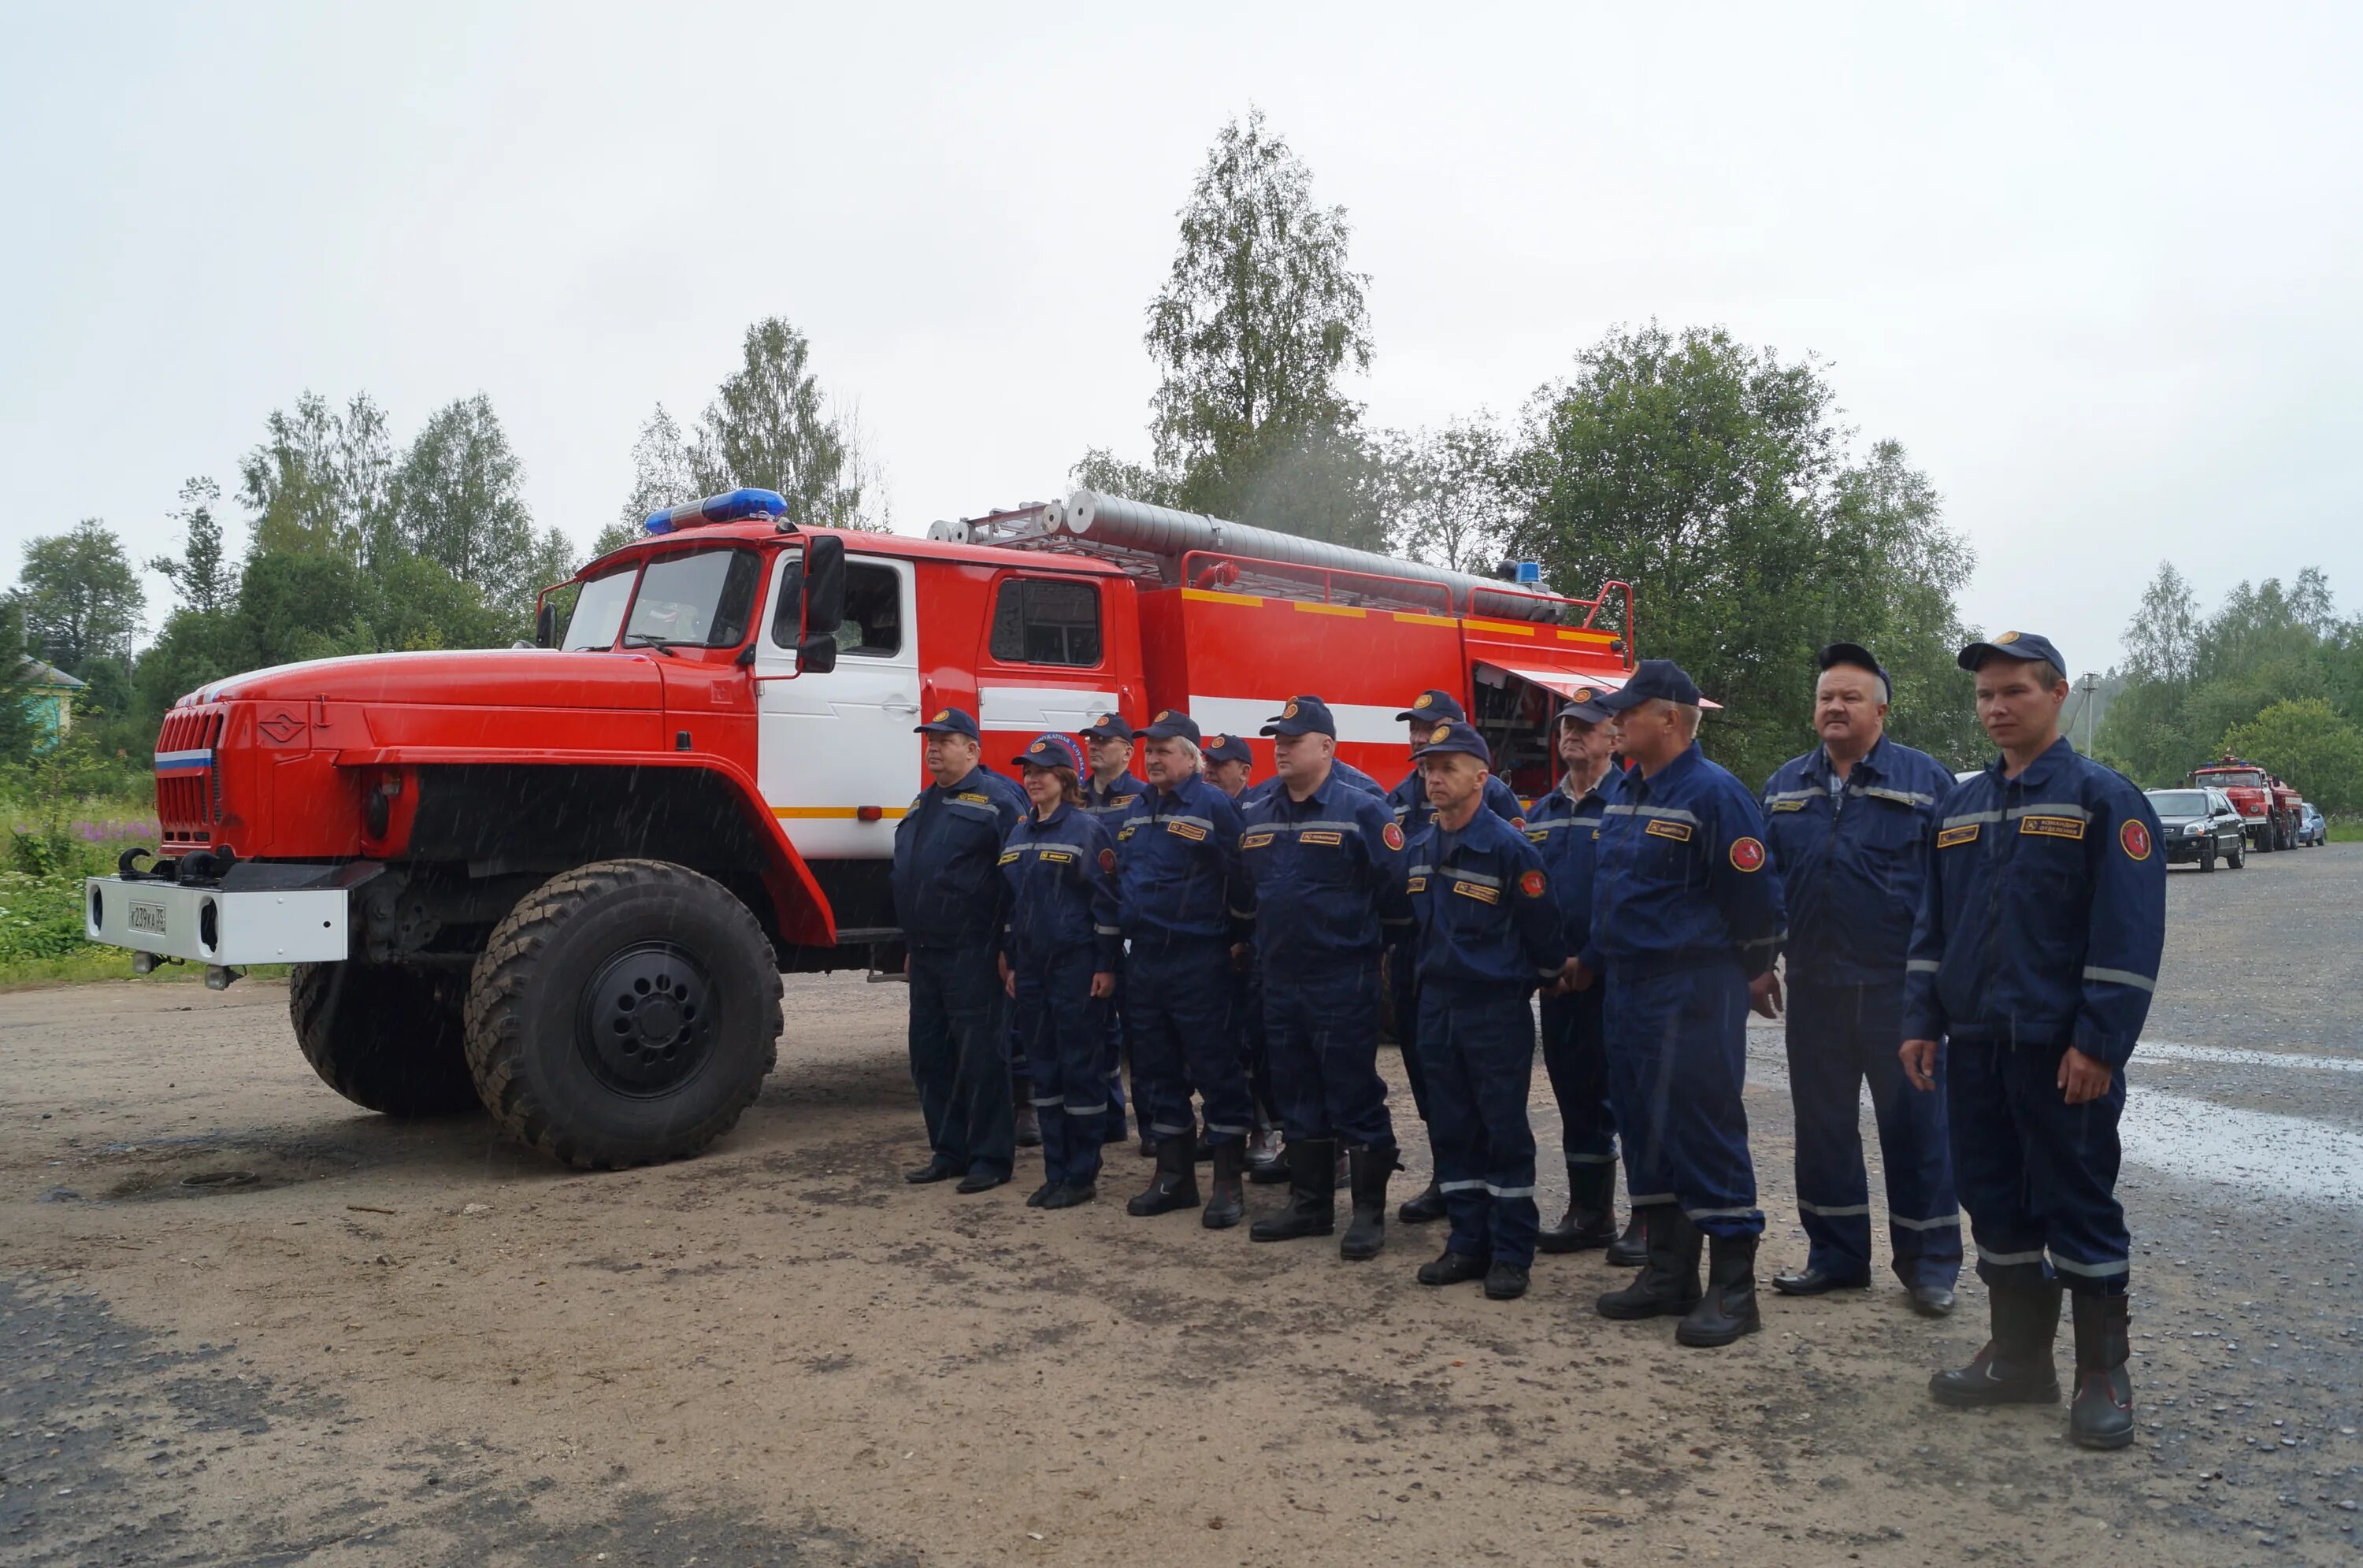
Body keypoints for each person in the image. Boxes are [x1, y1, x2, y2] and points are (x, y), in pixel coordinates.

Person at [1903, 632, 2165, 1450]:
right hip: (1976, 1044)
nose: (1997, 707)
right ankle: (2020, 1359)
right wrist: (1920, 1017)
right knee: (1994, 1198)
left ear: (2057, 693)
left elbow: (2127, 936)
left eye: (2015, 690)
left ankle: (2102, 1373)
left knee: (2077, 1200)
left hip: (2062, 1052)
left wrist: (2099, 1042)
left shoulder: (2102, 798)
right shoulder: (1958, 804)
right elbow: (1932, 923)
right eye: (1986, 694)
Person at [1582, 659, 1786, 1349]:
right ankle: (1669, 1274)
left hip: (1692, 989)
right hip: (1629, 988)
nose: (1614, 722)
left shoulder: (1715, 794)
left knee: (1703, 1127)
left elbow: (1758, 902)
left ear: (1669, 717)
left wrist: (1753, 971)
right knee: (1644, 1127)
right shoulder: (1628, 791)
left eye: (1627, 711)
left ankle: (1735, 1290)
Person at [1758, 644, 1963, 1315]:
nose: (1834, 707)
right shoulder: (1785, 785)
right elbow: (1763, 886)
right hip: (1814, 988)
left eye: (1849, 697)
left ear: (1880, 708)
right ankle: (1836, 1256)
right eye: (1825, 697)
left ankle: (1930, 1266)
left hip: (1898, 995)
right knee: (1822, 1128)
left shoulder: (1926, 782)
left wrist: (1940, 995)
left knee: (1914, 1128)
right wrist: (1759, 962)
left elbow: (1955, 892)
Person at [1236, 695, 1414, 1260]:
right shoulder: (1259, 810)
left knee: (1353, 1091)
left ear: (1327, 747)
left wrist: (1367, 953)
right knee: (1295, 1089)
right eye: (1277, 739)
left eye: (1293, 740)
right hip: (1280, 977)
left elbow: (1396, 896)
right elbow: (1248, 892)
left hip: (1342, 975)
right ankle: (1310, 1204)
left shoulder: (1363, 810)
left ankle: (1367, 1213)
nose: (1281, 748)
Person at [1400, 719, 1571, 1300]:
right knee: (1452, 1128)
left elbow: (1544, 931)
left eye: (1447, 767)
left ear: (1481, 775)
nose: (1433, 777)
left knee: (1503, 1131)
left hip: (1493, 1009)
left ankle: (1511, 1252)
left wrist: (1540, 979)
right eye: (1428, 767)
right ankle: (1466, 1243)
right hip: (1437, 1007)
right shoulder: (1422, 844)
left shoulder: (1509, 846)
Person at [1385, 689, 1526, 1229]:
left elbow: (1525, 893)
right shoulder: (1398, 797)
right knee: (1431, 1077)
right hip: (1416, 960)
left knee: (1486, 1093)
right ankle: (1449, 1178)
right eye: (1415, 728)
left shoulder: (1497, 802)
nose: (1420, 737)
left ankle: (1492, 1192)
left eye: (1431, 727)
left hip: (1476, 965)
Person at [1112, 710, 1255, 1229]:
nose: (1152, 758)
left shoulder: (1214, 804)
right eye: (1148, 750)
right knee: (1155, 1070)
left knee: (1216, 1069)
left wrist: (1237, 938)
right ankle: (1173, 1178)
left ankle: (1226, 1182)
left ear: (1192, 758)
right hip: (1146, 958)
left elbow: (1242, 877)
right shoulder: (1136, 807)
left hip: (1200, 958)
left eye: (1164, 750)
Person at [891, 708, 1030, 1193]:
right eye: (929, 739)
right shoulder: (924, 800)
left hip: (975, 951)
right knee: (930, 1056)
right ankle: (948, 1151)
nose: (933, 747)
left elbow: (1019, 875)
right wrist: (911, 943)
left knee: (982, 1057)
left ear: (972, 750)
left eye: (945, 740)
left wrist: (1009, 945)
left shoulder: (999, 800)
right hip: (928, 952)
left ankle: (991, 1157)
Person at [1523, 691, 1634, 1256]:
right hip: (1562, 984)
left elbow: (1632, 897)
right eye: (1567, 724)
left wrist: (1592, 959)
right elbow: (1532, 900)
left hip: (1618, 980)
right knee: (1575, 1097)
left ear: (1615, 740)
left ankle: (1650, 1220)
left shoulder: (1630, 802)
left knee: (1632, 1098)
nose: (1572, 733)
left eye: (1588, 726)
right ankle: (1590, 1212)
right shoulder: (1541, 814)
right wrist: (1546, 964)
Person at [1000, 732, 1122, 1210]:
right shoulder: (1018, 832)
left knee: (1079, 1070)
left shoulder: (1086, 830)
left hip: (1075, 969)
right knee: (1043, 1071)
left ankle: (1081, 1173)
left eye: (1042, 772)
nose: (1031, 779)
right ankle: (1055, 1171)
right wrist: (1009, 959)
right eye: (1027, 772)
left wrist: (1106, 966)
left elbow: (1106, 902)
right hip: (1030, 970)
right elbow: (1012, 904)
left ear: (1065, 780)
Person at [1202, 731, 1286, 1180]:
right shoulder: (1196, 807)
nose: (1210, 770)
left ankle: (1266, 1131)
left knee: (1260, 1045)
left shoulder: (1258, 813)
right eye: (1207, 763)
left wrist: (1243, 936)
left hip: (1252, 947)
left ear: (1245, 772)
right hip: (1206, 945)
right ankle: (1223, 1128)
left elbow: (1258, 886)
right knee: (1218, 1043)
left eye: (1221, 764)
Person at [1078, 713, 1150, 1151]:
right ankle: (1109, 1118)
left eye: (1105, 741)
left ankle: (1154, 1127)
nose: (1095, 746)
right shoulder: (1077, 797)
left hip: (1131, 927)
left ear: (1128, 750)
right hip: (1088, 927)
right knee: (1095, 1027)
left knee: (1141, 1033)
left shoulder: (1143, 798)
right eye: (1091, 740)